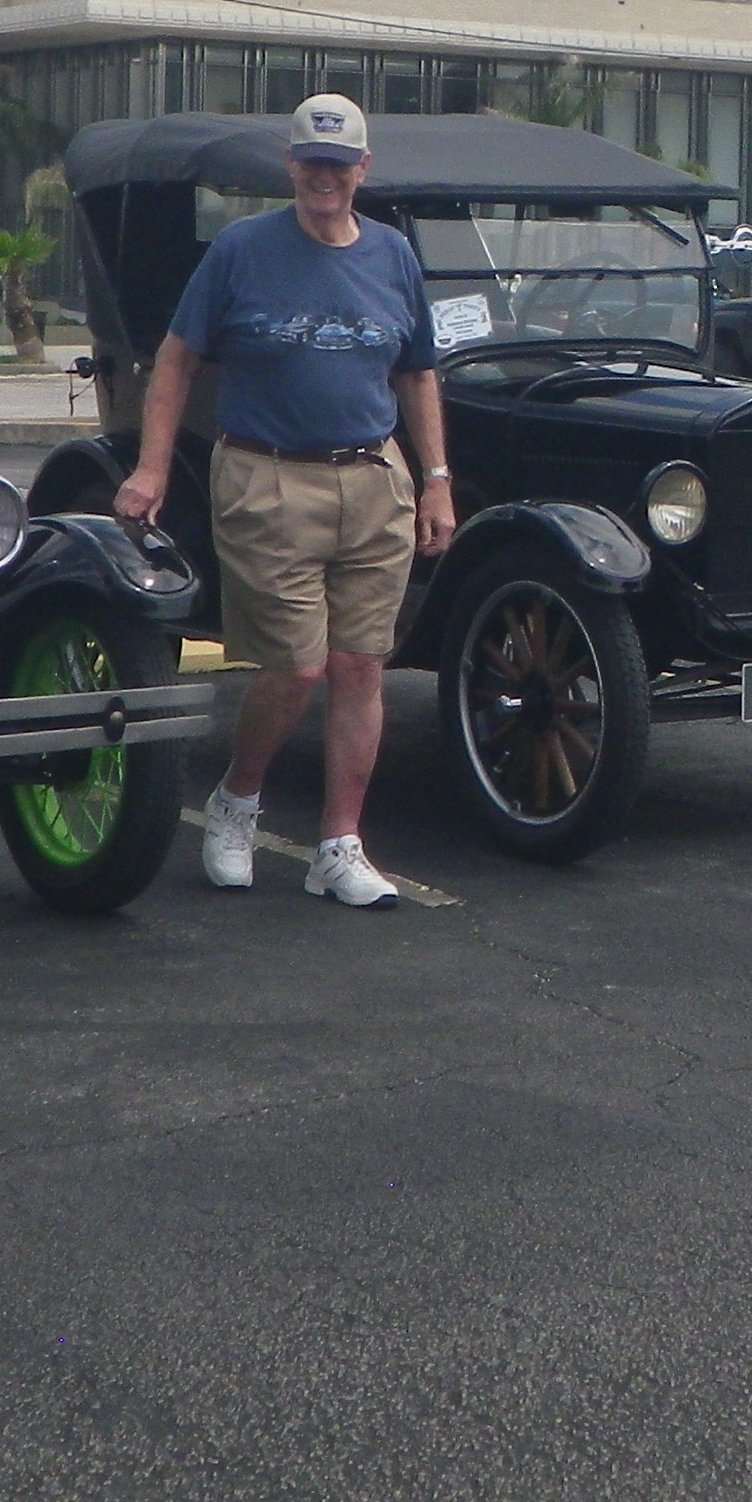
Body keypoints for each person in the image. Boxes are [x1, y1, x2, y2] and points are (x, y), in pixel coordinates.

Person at [110, 94, 455, 907]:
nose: (324, 177)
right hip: (267, 476)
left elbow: (417, 372)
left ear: (362, 169)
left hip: (373, 476)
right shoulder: (242, 249)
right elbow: (175, 360)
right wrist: (152, 469)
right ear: (291, 166)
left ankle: (339, 844)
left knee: (361, 665)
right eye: (311, 162)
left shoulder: (392, 255)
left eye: (339, 164)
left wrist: (436, 479)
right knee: (297, 666)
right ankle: (238, 797)